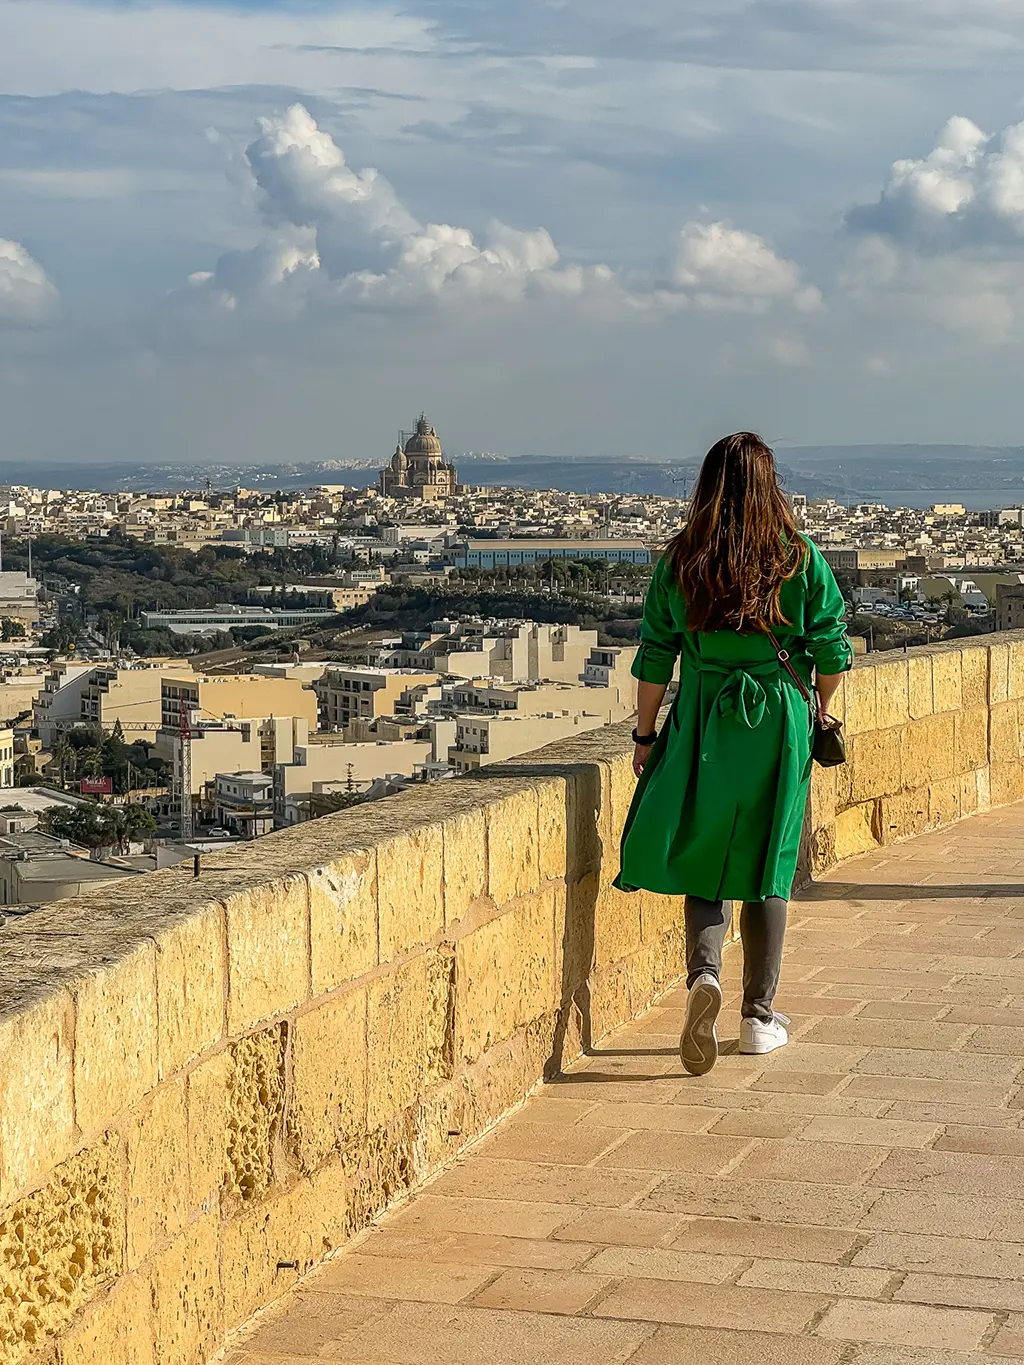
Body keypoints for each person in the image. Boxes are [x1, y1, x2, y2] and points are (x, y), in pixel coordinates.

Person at [615, 432, 851, 1075]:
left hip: (704, 719)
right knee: (769, 860)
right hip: (777, 721)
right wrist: (825, 709)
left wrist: (644, 736)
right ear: (769, 486)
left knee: (706, 855)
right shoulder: (797, 558)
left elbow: (655, 655)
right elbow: (831, 647)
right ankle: (758, 1017)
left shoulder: (682, 560)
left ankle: (703, 977)